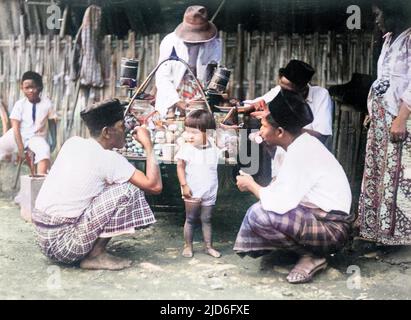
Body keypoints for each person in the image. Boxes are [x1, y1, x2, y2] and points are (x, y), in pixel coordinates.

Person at [234, 89, 353, 284]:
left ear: (280, 131)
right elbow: (280, 186)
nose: (260, 131)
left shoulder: (302, 153)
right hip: (317, 216)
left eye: (263, 126)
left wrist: (251, 185)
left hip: (332, 228)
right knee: (262, 208)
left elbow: (279, 203)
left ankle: (312, 255)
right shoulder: (294, 144)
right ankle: (306, 250)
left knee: (258, 214)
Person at [32, 99, 162, 270]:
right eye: (122, 126)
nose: (126, 131)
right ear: (107, 132)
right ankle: (95, 256)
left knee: (114, 185)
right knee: (129, 189)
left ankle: (92, 251)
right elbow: (154, 186)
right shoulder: (110, 159)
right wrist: (148, 146)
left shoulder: (73, 143)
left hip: (43, 238)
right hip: (64, 246)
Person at [358, 1, 411, 245]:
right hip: (381, 116)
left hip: (400, 117)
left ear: (393, 13)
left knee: (398, 174)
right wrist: (372, 109)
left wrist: (401, 118)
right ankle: (378, 231)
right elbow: (383, 79)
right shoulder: (389, 39)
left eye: (378, 15)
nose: (376, 20)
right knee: (379, 173)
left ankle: (397, 236)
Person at [155, 5, 222, 119]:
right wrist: (176, 100)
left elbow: (214, 76)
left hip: (198, 95)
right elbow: (162, 77)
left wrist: (205, 96)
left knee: (198, 125)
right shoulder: (169, 42)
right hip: (172, 94)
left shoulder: (214, 44)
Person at [245, 60, 333, 145]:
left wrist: (280, 122)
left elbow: (322, 137)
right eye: (281, 86)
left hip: (308, 152)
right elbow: (251, 104)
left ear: (302, 91)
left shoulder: (321, 95)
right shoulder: (282, 89)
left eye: (287, 90)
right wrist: (253, 105)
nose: (282, 92)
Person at [175, 109, 222, 258]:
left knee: (207, 219)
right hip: (192, 190)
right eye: (187, 131)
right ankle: (188, 245)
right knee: (190, 219)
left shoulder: (214, 146)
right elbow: (180, 167)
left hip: (210, 189)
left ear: (207, 133)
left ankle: (208, 246)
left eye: (193, 132)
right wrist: (184, 185)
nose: (189, 136)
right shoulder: (187, 148)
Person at [0, 71, 56, 174]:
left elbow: (52, 122)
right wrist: (21, 148)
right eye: (27, 88)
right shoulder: (20, 104)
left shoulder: (47, 104)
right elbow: (15, 127)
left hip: (36, 137)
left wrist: (54, 141)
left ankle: (39, 182)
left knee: (44, 151)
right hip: (17, 135)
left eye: (33, 87)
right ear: (22, 88)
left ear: (40, 87)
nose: (30, 90)